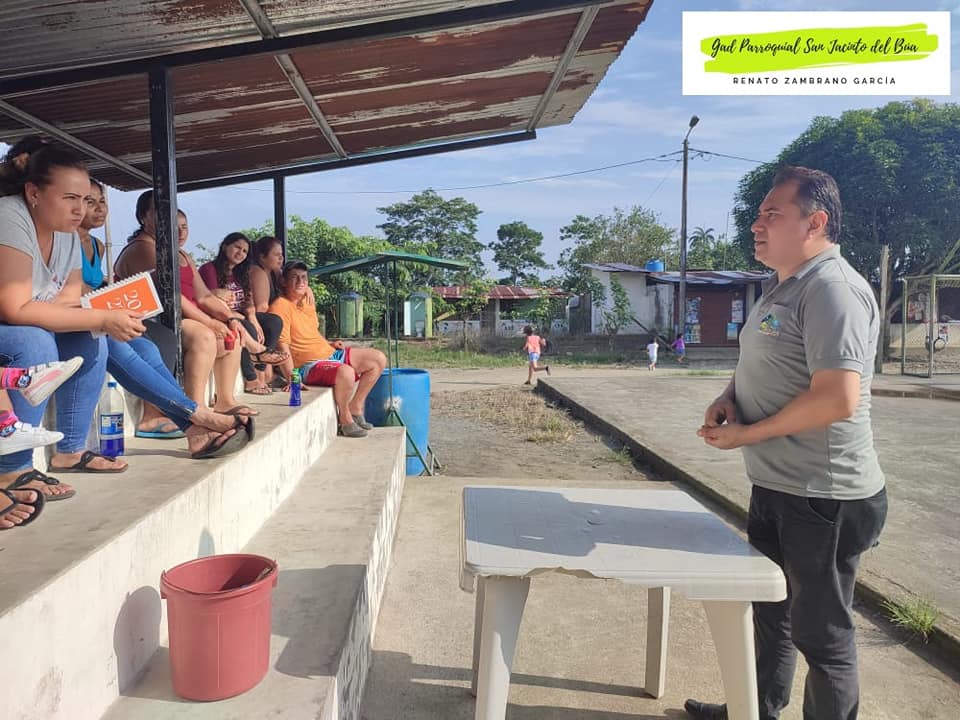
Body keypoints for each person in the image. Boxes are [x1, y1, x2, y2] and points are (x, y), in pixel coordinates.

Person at [686, 167, 887, 720]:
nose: (757, 225)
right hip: (778, 484)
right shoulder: (785, 284)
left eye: (772, 215)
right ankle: (754, 710)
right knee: (771, 611)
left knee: (823, 636)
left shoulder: (833, 290)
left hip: (824, 496)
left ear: (815, 222)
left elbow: (837, 398)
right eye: (759, 214)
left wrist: (746, 434)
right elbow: (764, 360)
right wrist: (730, 397)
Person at [0, 136, 141, 498]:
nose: (80, 209)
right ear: (33, 192)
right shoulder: (9, 216)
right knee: (36, 342)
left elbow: (69, 299)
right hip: (13, 325)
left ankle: (70, 450)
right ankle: (12, 468)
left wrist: (101, 318)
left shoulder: (66, 232)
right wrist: (101, 318)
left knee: (90, 337)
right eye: (70, 198)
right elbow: (14, 308)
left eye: (85, 200)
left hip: (22, 320)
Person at [116, 196, 254, 417]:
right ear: (143, 217)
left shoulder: (181, 254)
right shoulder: (143, 249)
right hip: (159, 319)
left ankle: (225, 400)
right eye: (160, 212)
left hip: (185, 316)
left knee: (232, 334)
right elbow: (172, 296)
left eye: (183, 226)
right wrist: (209, 322)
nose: (178, 230)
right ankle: (196, 407)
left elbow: (204, 296)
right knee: (204, 336)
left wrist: (230, 318)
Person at [269, 261, 387, 438]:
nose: (301, 282)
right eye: (294, 277)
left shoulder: (305, 301)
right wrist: (292, 378)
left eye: (304, 278)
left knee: (378, 359)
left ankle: (355, 407)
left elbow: (310, 333)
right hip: (309, 365)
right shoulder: (280, 306)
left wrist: (328, 343)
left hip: (330, 354)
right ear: (283, 282)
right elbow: (282, 345)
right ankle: (345, 419)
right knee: (346, 372)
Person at [198, 233, 286, 395]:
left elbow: (248, 301)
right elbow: (208, 300)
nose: (241, 253)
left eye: (245, 251)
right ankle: (251, 379)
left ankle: (260, 369)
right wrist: (234, 314)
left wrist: (253, 318)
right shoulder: (209, 269)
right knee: (246, 328)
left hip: (240, 314)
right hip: (220, 315)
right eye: (237, 247)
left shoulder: (241, 271)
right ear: (225, 246)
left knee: (274, 322)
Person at [78, 178, 108, 290]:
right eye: (90, 202)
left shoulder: (98, 246)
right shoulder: (60, 241)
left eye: (102, 201)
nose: (100, 209)